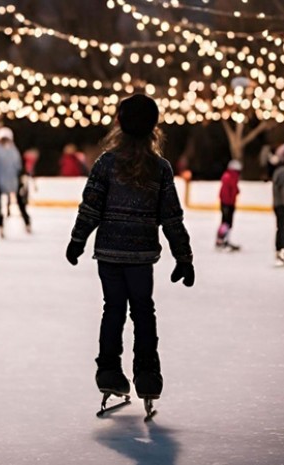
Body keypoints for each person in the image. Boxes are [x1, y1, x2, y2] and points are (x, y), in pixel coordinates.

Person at [65, 94, 194, 417]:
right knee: (143, 312)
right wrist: (184, 256)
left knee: (113, 311)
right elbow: (172, 218)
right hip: (140, 255)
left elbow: (91, 206)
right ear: (153, 129)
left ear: (119, 125)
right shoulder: (160, 168)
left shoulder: (106, 163)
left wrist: (78, 240)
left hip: (109, 253)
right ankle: (148, 375)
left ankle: (109, 370)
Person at [0, 127, 23, 237]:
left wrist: (18, 178)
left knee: (20, 202)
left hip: (12, 180)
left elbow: (18, 165)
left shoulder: (13, 150)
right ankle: (0, 225)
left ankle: (26, 222)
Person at [216, 160, 242, 251]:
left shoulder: (231, 177)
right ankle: (221, 240)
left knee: (227, 223)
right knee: (226, 222)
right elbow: (226, 191)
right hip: (227, 203)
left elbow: (234, 189)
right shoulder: (229, 177)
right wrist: (228, 202)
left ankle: (225, 240)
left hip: (229, 203)